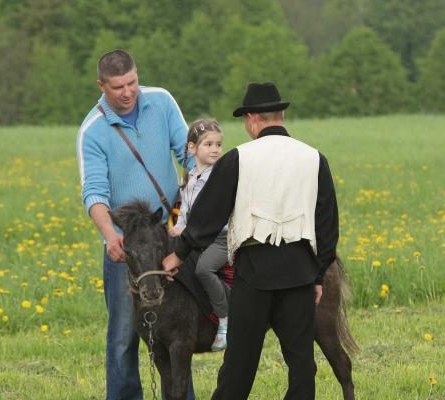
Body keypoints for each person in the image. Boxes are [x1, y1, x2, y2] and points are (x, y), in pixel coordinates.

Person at [162, 82, 339, 399]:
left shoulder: (238, 159)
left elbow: (207, 215)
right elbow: (327, 226)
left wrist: (179, 253)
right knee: (301, 365)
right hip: (299, 271)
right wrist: (318, 274)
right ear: (280, 115)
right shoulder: (314, 159)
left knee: (239, 364)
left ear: (252, 118)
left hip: (254, 272)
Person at [77, 49, 195, 400]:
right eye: (117, 87)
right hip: (128, 246)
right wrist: (110, 235)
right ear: (101, 86)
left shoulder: (161, 101)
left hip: (170, 234)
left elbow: (188, 153)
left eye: (132, 83)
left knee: (180, 329)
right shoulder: (92, 130)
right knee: (124, 336)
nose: (127, 92)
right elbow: (94, 193)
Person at [169, 117, 229, 352]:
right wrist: (178, 226)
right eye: (208, 144)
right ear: (192, 148)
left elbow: (213, 216)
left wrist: (188, 229)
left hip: (219, 238)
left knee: (204, 269)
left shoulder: (220, 177)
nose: (215, 149)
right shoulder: (192, 176)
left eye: (218, 144)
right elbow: (185, 209)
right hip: (197, 237)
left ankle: (225, 320)